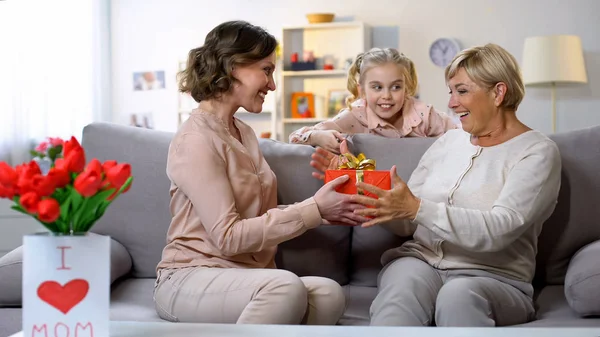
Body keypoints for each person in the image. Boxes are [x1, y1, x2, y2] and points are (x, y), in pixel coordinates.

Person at [310, 43, 562, 327]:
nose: (452, 103)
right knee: (402, 288)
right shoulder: (448, 142)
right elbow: (408, 223)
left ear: (498, 92)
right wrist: (369, 194)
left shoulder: (537, 152)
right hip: (421, 263)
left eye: (462, 91)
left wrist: (415, 207)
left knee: (458, 296)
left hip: (493, 276)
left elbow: (499, 229)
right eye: (451, 92)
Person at [154, 20, 367, 325]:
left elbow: (255, 216)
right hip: (191, 277)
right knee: (285, 287)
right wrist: (312, 209)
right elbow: (228, 237)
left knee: (329, 294)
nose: (272, 85)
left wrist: (322, 211)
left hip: (244, 277)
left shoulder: (243, 132)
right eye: (266, 70)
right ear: (232, 67)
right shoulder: (196, 140)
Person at [289, 48, 458, 154]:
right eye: (377, 87)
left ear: (406, 88)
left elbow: (461, 137)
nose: (386, 96)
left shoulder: (423, 114)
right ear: (361, 90)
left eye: (395, 87)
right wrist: (317, 136)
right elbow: (295, 138)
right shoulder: (354, 115)